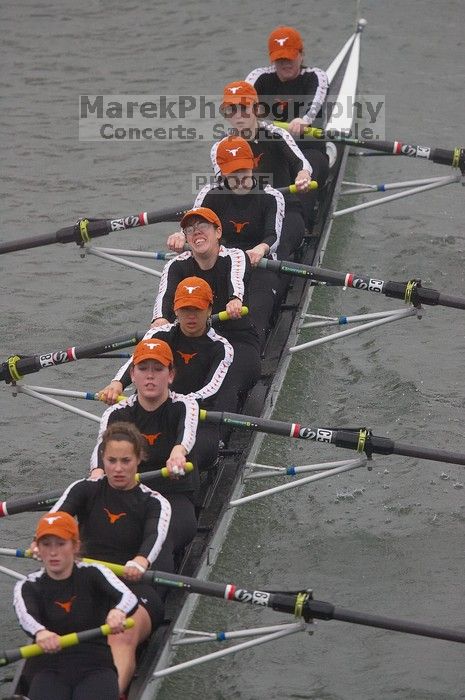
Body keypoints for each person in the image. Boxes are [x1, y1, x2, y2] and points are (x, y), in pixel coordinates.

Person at [48, 423, 171, 694]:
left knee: (120, 635)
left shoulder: (154, 501)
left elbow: (154, 536)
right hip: (86, 582)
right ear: (102, 459)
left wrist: (140, 561)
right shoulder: (84, 489)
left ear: (139, 459)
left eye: (126, 461)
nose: (118, 468)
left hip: (134, 586)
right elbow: (57, 518)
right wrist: (44, 541)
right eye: (111, 460)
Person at [99, 277, 234, 470]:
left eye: (197, 309)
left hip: (197, 418)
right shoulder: (159, 335)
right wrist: (117, 384)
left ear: (210, 309)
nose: (191, 316)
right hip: (150, 410)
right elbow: (135, 361)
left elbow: (210, 389)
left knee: (189, 457)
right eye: (185, 310)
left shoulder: (221, 347)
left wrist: (176, 405)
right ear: (175, 310)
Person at [90, 339, 199, 569]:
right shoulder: (116, 413)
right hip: (132, 495)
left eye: (158, 369)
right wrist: (97, 473)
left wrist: (178, 454)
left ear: (170, 375)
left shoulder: (184, 405)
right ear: (133, 374)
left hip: (173, 495)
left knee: (159, 543)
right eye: (143, 369)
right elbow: (101, 451)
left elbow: (185, 438)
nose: (150, 376)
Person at [167, 137, 284, 349]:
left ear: (252, 164)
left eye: (243, 170)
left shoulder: (270, 196)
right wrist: (180, 236)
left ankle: (253, 348)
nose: (239, 177)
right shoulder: (211, 194)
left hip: (259, 265)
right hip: (219, 263)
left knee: (256, 313)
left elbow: (273, 236)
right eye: (232, 172)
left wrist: (261, 248)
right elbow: (194, 224)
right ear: (222, 172)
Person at [14, 510, 138, 700]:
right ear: (38, 548)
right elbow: (25, 616)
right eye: (46, 545)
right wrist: (40, 632)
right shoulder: (29, 585)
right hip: (49, 667)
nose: (53, 552)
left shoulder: (94, 572)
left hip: (96, 666)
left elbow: (128, 597)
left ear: (75, 546)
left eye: (61, 544)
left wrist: (118, 611)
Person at [154, 206, 261, 413]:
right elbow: (164, 302)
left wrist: (235, 300)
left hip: (237, 340)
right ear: (186, 237)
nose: (197, 232)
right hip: (197, 343)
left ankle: (218, 437)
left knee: (224, 387)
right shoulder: (176, 266)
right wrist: (159, 320)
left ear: (218, 232)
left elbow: (236, 283)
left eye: (202, 226)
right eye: (190, 230)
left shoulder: (235, 257)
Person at [214, 79, 313, 257]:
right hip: (250, 216)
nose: (238, 115)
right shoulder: (220, 147)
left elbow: (301, 163)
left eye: (244, 108)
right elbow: (222, 187)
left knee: (277, 252)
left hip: (286, 210)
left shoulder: (276, 134)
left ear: (256, 109)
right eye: (232, 110)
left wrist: (303, 174)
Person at [245, 25, 330, 224]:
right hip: (273, 150)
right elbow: (241, 99)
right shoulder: (259, 77)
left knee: (306, 179)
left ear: (301, 54)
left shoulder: (315, 76)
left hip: (308, 148)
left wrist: (304, 120)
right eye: (279, 59)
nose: (285, 63)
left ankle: (305, 226)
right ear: (272, 59)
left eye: (289, 57)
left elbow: (313, 103)